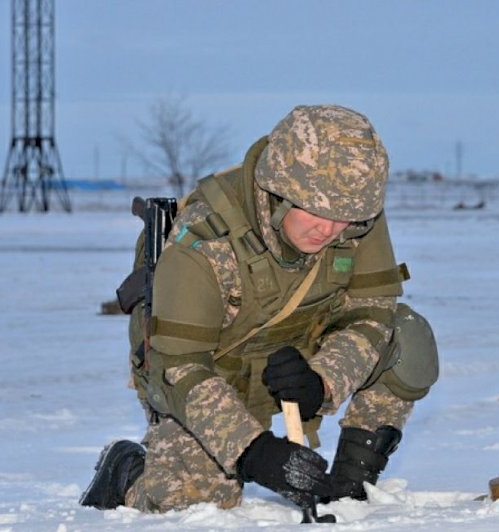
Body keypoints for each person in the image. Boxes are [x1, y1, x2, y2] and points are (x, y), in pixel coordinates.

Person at [80, 104, 439, 513]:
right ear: (278, 192)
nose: (331, 230)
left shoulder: (352, 211)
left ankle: (346, 484)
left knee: (407, 337)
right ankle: (127, 470)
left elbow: (372, 315)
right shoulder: (203, 241)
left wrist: (321, 382)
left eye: (348, 219)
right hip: (210, 373)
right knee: (197, 503)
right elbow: (177, 367)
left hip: (302, 353)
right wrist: (254, 451)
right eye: (319, 213)